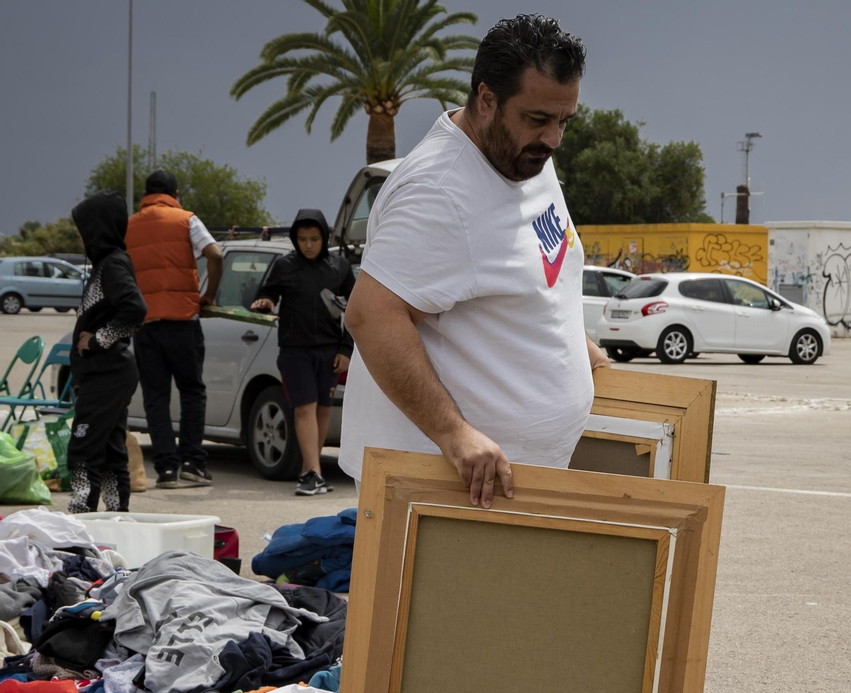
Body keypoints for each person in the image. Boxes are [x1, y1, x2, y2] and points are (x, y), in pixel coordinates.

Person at [341, 14, 609, 505]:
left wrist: (574, 343)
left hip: (507, 483)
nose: (554, 139)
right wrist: (455, 435)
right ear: (487, 99)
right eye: (538, 119)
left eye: (563, 121)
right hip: (445, 484)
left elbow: (536, 270)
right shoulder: (438, 191)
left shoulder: (521, 156)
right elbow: (371, 316)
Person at [126, 169, 222, 488]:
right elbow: (214, 253)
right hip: (183, 321)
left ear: (145, 194)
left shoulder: (128, 226)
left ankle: (166, 469)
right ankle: (193, 463)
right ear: (175, 194)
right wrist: (208, 295)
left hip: (146, 324)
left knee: (156, 397)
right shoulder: (185, 219)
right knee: (192, 391)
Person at [250, 209, 355, 495]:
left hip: (330, 351)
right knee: (304, 408)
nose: (308, 245)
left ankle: (311, 470)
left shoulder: (340, 267)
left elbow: (357, 311)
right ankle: (313, 472)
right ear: (295, 239)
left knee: (322, 409)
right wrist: (266, 302)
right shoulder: (284, 266)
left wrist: (346, 349)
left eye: (314, 239)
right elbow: (267, 294)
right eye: (302, 239)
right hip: (295, 351)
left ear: (324, 238)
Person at [66, 191, 146, 514]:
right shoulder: (106, 265)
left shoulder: (113, 265)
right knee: (113, 453)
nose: (81, 236)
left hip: (108, 374)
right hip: (107, 375)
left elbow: (136, 309)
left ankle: (79, 522)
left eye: (85, 229)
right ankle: (117, 521)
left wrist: (97, 340)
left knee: (83, 451)